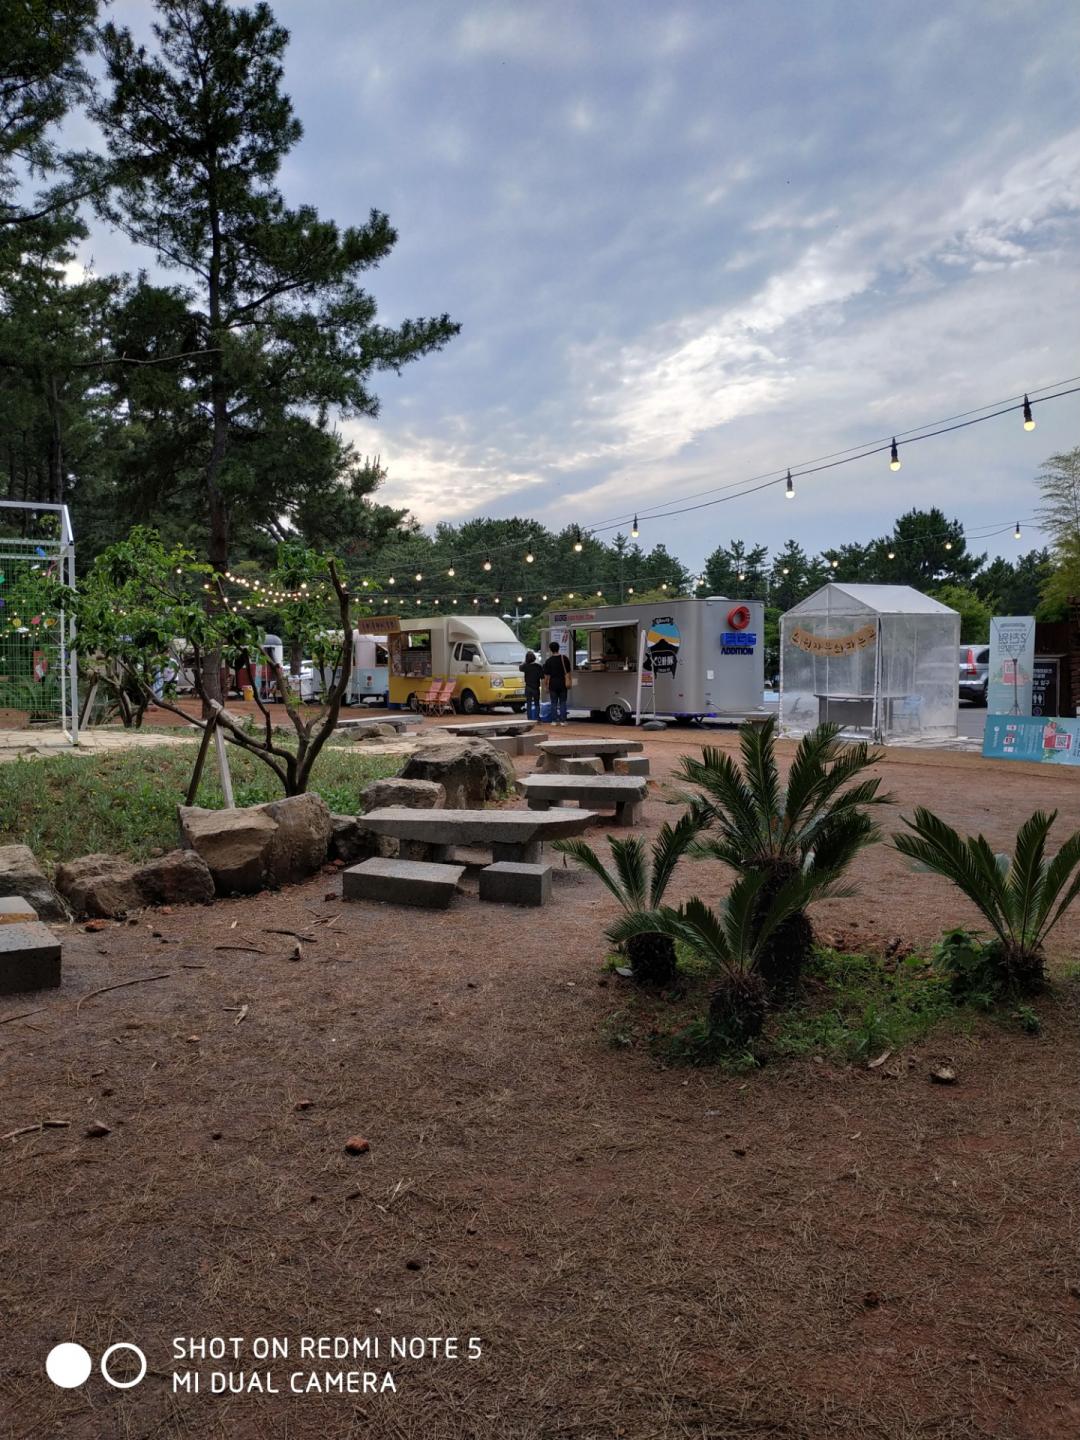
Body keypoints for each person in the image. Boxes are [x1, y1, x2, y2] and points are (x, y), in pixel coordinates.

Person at [543, 640, 571, 725]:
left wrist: (545, 685)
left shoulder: (549, 661)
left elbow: (546, 676)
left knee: (553, 703)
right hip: (563, 684)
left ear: (550, 650)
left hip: (553, 684)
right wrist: (569, 681)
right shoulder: (564, 658)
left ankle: (554, 721)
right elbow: (568, 672)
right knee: (563, 702)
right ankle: (563, 721)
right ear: (558, 648)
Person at [519, 649, 544, 720]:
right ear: (534, 658)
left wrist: (525, 661)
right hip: (536, 687)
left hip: (528, 687)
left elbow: (520, 668)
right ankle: (537, 718)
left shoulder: (525, 666)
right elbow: (542, 677)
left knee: (529, 703)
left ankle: (529, 718)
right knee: (536, 703)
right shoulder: (538, 666)